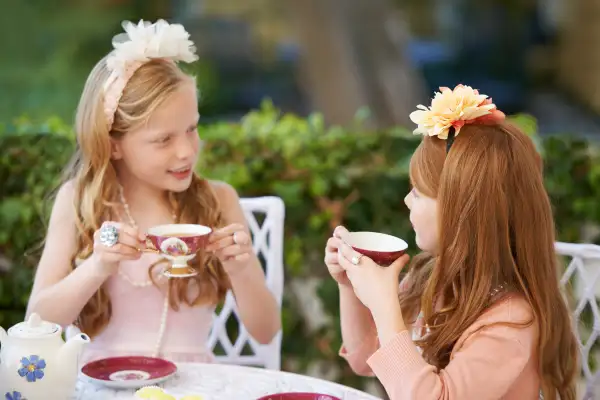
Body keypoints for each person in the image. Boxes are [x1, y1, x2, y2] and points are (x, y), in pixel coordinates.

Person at [26, 19, 280, 363]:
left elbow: (266, 331)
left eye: (192, 129)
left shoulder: (219, 200)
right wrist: (97, 267)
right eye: (163, 140)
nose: (187, 151)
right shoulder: (80, 201)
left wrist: (242, 268)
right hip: (101, 383)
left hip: (195, 386)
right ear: (114, 145)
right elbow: (37, 322)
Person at [325, 85, 579, 399]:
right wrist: (349, 285)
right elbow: (368, 359)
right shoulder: (430, 276)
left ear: (461, 214)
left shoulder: (511, 321)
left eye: (417, 193)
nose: (406, 201)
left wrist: (383, 302)